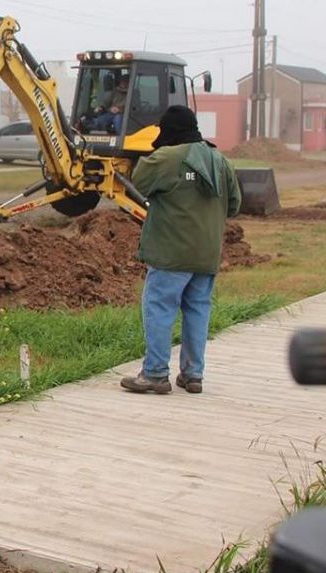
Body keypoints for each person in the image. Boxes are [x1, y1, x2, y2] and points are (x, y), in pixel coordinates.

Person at [121, 105, 242, 395]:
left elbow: (136, 184)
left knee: (160, 308)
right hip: (207, 254)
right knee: (198, 311)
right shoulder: (220, 160)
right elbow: (235, 204)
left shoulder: (167, 157)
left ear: (169, 132)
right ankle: (193, 375)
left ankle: (155, 374)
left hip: (170, 253)